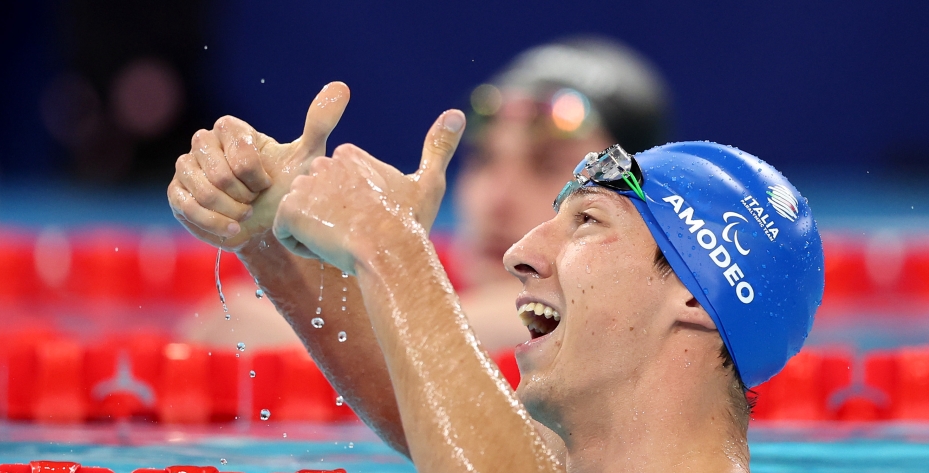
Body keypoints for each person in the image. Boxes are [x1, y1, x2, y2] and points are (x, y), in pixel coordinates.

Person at [167, 81, 823, 473]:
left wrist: (391, 246)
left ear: (693, 295)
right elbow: (440, 424)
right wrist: (266, 232)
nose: (519, 253)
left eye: (587, 222)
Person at [177, 36, 671, 355]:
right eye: (484, 160)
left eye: (545, 165)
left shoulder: (610, 324)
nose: (496, 198)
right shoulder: (446, 294)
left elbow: (240, 331)